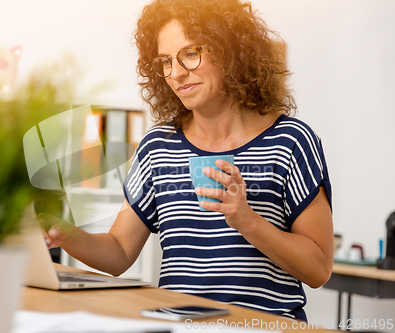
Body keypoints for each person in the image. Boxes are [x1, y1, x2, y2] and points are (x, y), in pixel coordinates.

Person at [42, 0, 333, 320]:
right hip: (177, 325)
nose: (176, 73)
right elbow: (120, 252)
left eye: (191, 53)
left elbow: (319, 269)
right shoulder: (158, 147)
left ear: (230, 50)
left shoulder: (291, 141)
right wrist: (69, 236)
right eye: (165, 61)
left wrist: (247, 221)